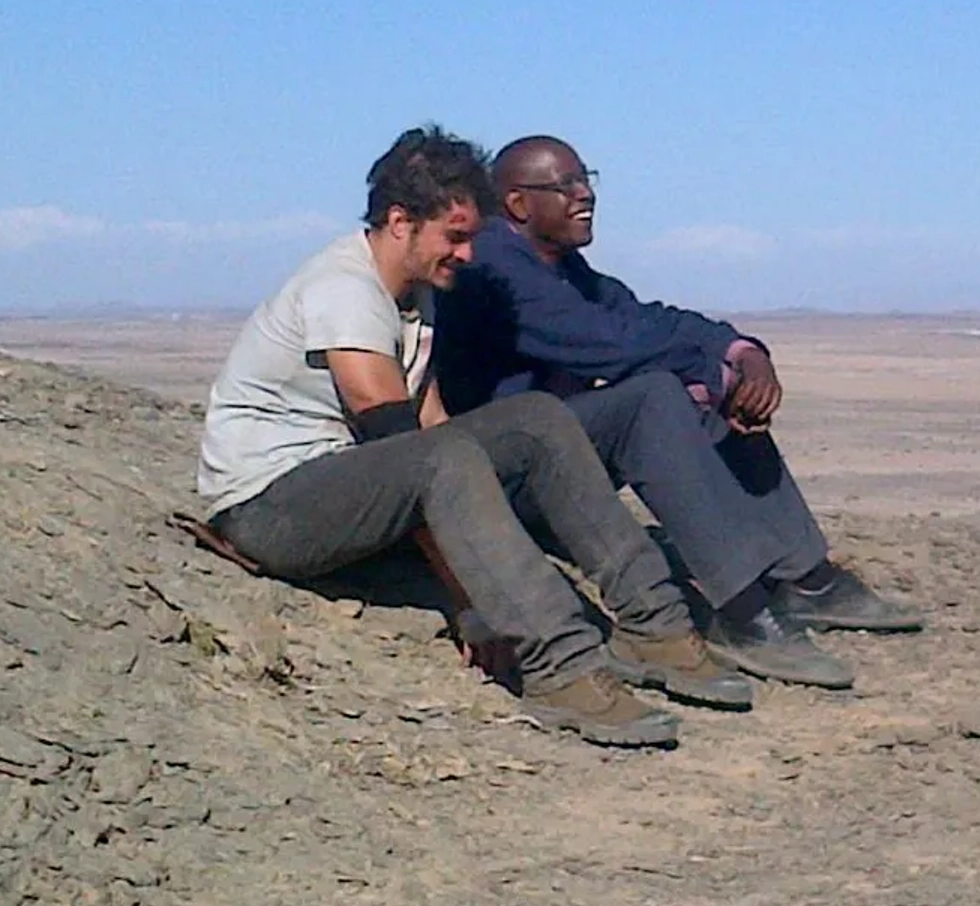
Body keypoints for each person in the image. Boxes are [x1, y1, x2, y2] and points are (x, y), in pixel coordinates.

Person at [195, 125, 752, 749]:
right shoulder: (344, 294)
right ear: (401, 221)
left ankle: (656, 622)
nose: (467, 254)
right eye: (455, 237)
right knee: (444, 459)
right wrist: (469, 602)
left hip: (345, 488)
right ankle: (559, 664)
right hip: (270, 509)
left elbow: (431, 424)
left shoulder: (413, 294)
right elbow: (403, 450)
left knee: (537, 420)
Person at [433, 134, 923, 690]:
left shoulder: (562, 267)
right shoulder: (495, 270)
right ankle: (740, 611)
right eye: (564, 185)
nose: (584, 194)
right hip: (503, 480)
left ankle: (804, 577)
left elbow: (649, 318)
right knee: (654, 395)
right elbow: (607, 343)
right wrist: (711, 371)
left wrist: (739, 353)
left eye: (585, 178)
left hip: (556, 455)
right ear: (519, 205)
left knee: (702, 390)